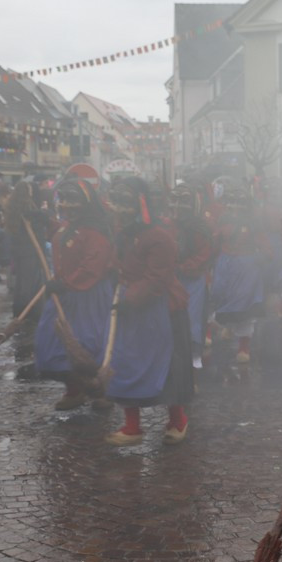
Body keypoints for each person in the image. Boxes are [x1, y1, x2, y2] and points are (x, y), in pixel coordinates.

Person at [103, 176, 193, 446]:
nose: (120, 211)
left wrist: (131, 297)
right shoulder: (122, 234)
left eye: (126, 205)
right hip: (131, 310)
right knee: (126, 364)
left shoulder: (159, 237)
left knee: (167, 370)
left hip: (161, 310)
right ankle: (132, 427)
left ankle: (178, 420)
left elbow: (157, 276)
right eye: (116, 204)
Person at [35, 178, 115, 411]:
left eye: (73, 200)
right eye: (64, 200)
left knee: (88, 343)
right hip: (66, 293)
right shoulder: (66, 226)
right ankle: (74, 389)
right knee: (53, 344)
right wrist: (43, 221)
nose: (67, 205)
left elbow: (92, 266)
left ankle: (101, 391)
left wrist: (66, 284)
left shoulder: (97, 233)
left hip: (88, 295)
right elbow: (64, 237)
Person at [209, 179, 269, 364]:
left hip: (246, 267)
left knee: (245, 305)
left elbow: (263, 243)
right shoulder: (223, 219)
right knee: (221, 295)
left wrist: (264, 256)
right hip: (225, 265)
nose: (235, 206)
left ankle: (244, 347)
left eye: (239, 202)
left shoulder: (253, 222)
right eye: (232, 201)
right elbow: (215, 241)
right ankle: (227, 324)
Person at [172, 181, 213, 369]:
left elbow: (205, 253)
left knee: (192, 318)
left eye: (183, 202)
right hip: (172, 278)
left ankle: (194, 354)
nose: (178, 207)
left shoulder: (199, 227)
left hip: (194, 279)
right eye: (175, 201)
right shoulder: (169, 226)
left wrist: (187, 266)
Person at [5, 180, 48, 320]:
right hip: (29, 248)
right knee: (28, 282)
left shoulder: (12, 206)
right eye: (29, 189)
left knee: (21, 281)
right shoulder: (27, 207)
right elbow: (38, 222)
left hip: (19, 249)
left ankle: (19, 309)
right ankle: (26, 311)